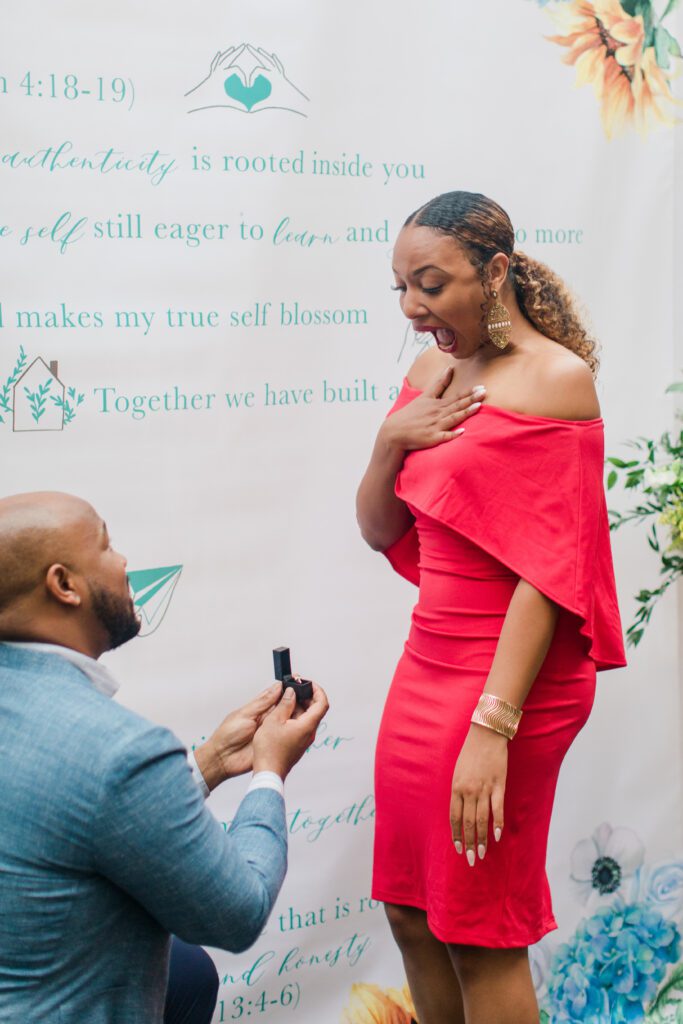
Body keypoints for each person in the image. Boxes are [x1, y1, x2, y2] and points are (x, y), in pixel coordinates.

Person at [356, 191, 625, 1024]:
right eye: (401, 288)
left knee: (479, 929)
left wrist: (491, 726)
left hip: (511, 682)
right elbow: (377, 528)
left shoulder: (555, 378)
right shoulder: (431, 374)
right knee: (409, 911)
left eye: (430, 285)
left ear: (496, 270)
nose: (413, 310)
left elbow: (549, 573)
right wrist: (389, 441)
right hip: (426, 663)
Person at [0, 491, 329, 1024]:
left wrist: (213, 761)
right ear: (64, 585)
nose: (126, 562)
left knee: (188, 971)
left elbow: (78, 813)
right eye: (107, 546)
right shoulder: (117, 748)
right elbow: (237, 914)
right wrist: (270, 772)